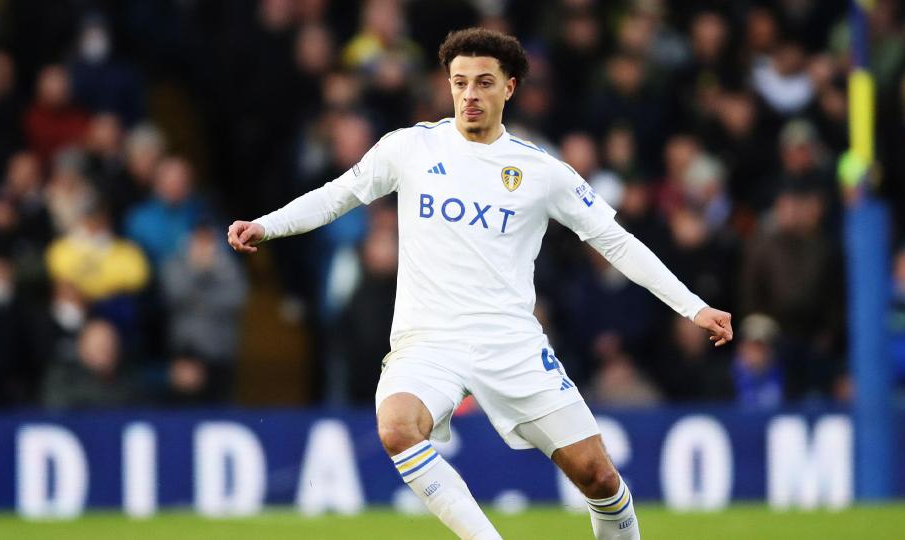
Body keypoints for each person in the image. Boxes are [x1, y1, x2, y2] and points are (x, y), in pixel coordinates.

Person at [228, 28, 733, 540]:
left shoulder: (542, 172)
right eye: (460, 82)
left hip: (509, 341)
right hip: (429, 339)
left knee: (597, 476)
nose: (470, 94)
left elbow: (617, 242)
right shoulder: (411, 148)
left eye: (484, 83)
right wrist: (267, 224)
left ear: (509, 88)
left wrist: (693, 307)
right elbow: (337, 196)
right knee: (397, 427)